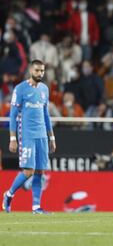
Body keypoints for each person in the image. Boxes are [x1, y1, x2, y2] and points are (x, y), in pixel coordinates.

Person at [2, 60, 56, 214]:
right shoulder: (20, 89)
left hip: (42, 136)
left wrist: (51, 137)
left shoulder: (44, 89)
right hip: (27, 134)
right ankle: (9, 194)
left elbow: (46, 115)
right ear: (31, 70)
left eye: (42, 71)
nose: (40, 74)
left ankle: (36, 207)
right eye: (37, 70)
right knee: (28, 171)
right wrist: (13, 138)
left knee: (40, 171)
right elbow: (13, 115)